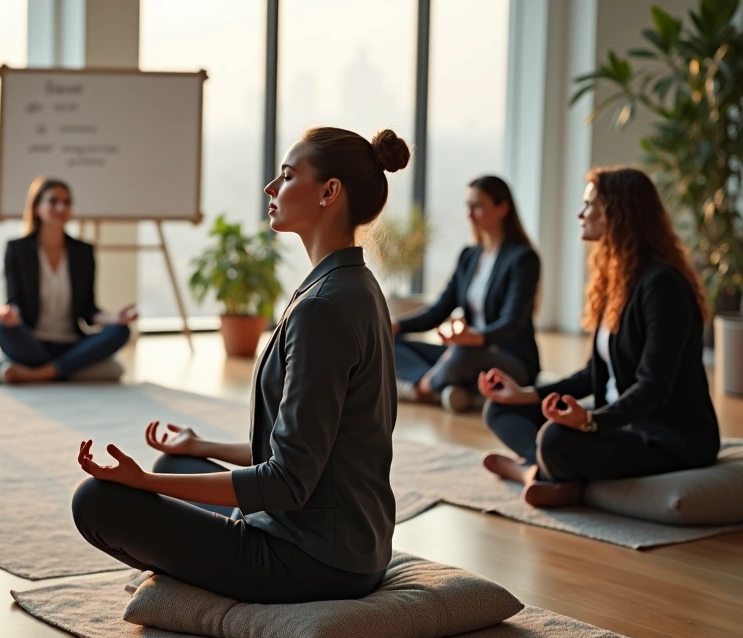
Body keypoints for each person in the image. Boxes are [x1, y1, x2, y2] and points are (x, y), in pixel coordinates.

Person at [70, 127, 407, 604]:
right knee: (177, 460)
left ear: (330, 192)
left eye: (287, 176)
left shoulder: (323, 308)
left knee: (95, 501)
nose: (271, 188)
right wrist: (199, 444)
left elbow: (287, 481)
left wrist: (141, 482)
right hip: (346, 543)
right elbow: (310, 453)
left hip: (313, 562)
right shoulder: (353, 283)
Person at [479, 167, 719, 508]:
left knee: (555, 438)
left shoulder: (662, 286)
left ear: (618, 214)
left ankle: (534, 470)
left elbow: (654, 386)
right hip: (616, 420)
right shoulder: (617, 279)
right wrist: (526, 395)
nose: (581, 213)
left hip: (665, 436)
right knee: (500, 410)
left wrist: (591, 422)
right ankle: (547, 473)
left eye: (590, 205)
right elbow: (595, 374)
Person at [393, 176, 541, 413]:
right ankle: (454, 388)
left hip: (511, 361)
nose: (469, 214)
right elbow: (438, 310)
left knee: (462, 354)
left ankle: (421, 389)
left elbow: (512, 323)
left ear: (502, 208)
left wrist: (476, 339)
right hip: (465, 351)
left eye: (478, 206)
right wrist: (395, 326)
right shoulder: (468, 256)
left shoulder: (523, 259)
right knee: (388, 343)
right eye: (467, 206)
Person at [0, 177, 137, 384]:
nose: (61, 207)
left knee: (121, 331)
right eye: (53, 201)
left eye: (67, 202)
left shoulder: (83, 252)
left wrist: (115, 319)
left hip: (72, 342)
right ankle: (66, 367)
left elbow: (89, 310)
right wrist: (9, 315)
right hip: (33, 343)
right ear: (36, 208)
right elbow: (13, 300)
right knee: (1, 330)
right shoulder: (17, 249)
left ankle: (40, 373)